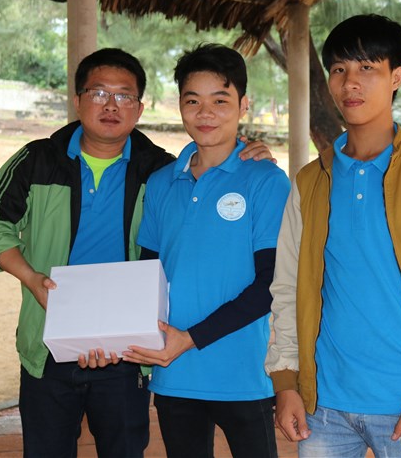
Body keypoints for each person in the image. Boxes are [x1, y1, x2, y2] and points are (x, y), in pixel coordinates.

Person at [0, 47, 271, 458]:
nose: (111, 105)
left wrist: (249, 152)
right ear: (78, 100)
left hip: (128, 352)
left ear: (140, 108)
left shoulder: (159, 171)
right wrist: (31, 278)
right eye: (98, 93)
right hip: (48, 344)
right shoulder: (39, 160)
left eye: (124, 96)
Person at [265, 14, 401, 458]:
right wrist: (285, 380)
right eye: (339, 69)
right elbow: (287, 287)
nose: (350, 82)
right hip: (324, 406)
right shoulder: (310, 181)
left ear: (396, 77)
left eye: (367, 68)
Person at [119, 44, 290, 458]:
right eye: (193, 101)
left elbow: (270, 284)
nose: (205, 113)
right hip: (174, 372)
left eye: (221, 101)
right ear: (179, 105)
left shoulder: (266, 181)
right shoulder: (162, 182)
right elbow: (149, 274)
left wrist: (191, 338)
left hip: (243, 374)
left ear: (244, 105)